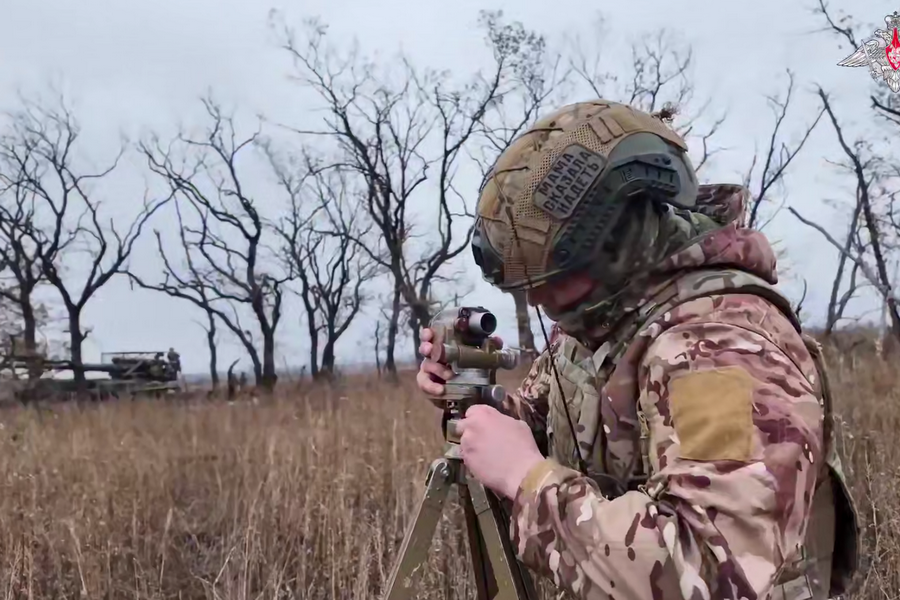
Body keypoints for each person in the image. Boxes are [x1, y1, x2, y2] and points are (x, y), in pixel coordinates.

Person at [416, 99, 860, 600]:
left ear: (611, 244)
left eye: (550, 278)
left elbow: (707, 570)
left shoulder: (720, 344)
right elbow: (541, 424)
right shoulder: (599, 320)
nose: (537, 300)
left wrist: (527, 482)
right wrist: (473, 397)